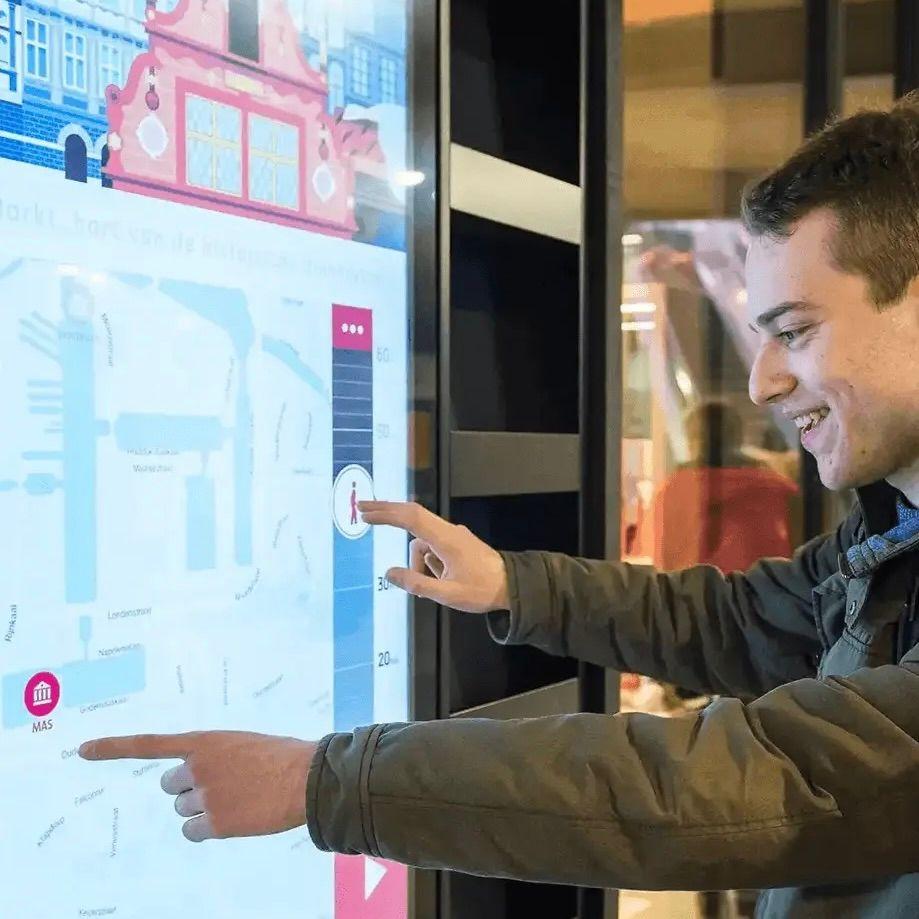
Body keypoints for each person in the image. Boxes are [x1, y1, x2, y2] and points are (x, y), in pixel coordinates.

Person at [78, 95, 919, 917]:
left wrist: (324, 780)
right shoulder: (891, 529)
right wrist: (513, 584)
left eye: (794, 330)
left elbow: (762, 780)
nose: (761, 381)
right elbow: (737, 623)